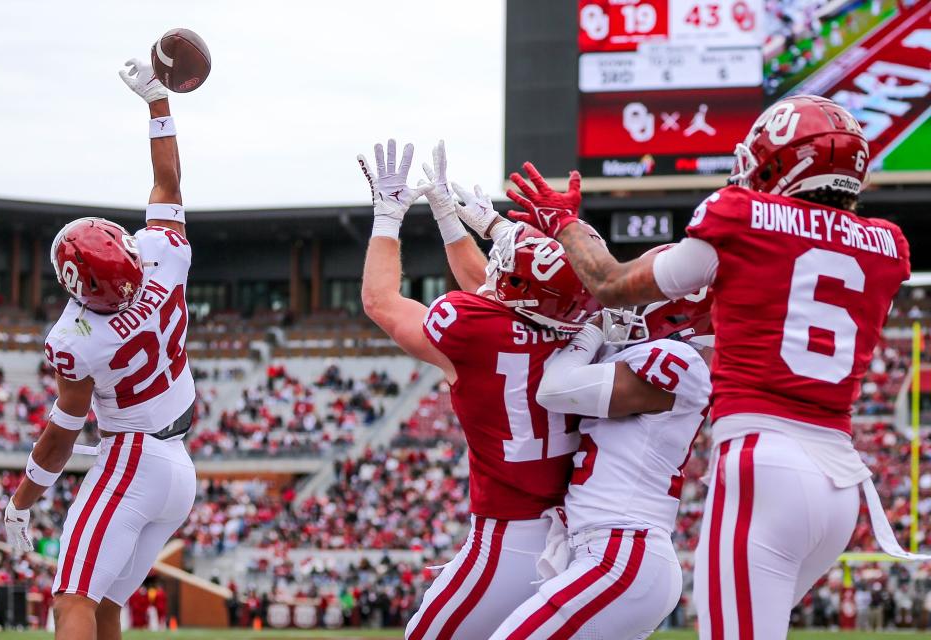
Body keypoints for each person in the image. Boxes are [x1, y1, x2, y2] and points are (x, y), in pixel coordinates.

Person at [506, 94, 914, 638]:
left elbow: (609, 284)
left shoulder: (742, 216)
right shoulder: (886, 245)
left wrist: (563, 223)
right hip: (841, 487)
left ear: (780, 161)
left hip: (764, 462)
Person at [358, 139, 599, 639]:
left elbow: (381, 302)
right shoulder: (586, 326)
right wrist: (449, 218)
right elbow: (502, 291)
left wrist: (387, 216)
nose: (493, 267)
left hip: (509, 538)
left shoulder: (473, 329)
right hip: (576, 538)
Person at [3, 55, 197, 640]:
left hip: (132, 458)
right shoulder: (165, 257)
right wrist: (159, 103)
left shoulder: (75, 339)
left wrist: (22, 500)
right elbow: (168, 182)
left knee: (71, 603)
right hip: (179, 466)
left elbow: (62, 432)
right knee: (107, 604)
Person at [491, 293, 713, 639]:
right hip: (615, 551)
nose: (629, 317)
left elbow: (554, 390)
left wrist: (591, 333)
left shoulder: (679, 357)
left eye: (640, 305)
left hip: (622, 554)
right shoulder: (651, 362)